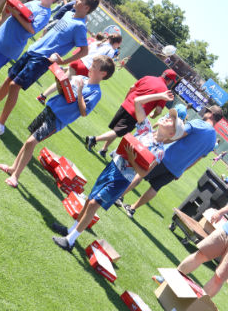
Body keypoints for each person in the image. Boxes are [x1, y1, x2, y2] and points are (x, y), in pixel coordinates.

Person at [51, 92, 184, 251]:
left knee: (93, 204)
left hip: (121, 179)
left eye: (172, 121)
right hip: (113, 166)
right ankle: (71, 230)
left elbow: (143, 173)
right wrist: (161, 95)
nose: (169, 118)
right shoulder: (146, 129)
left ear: (172, 133)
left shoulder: (160, 151)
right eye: (170, 116)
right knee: (90, 199)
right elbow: (137, 101)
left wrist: (132, 159)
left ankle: (70, 241)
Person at [0, 0, 100, 136]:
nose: (76, 1)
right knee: (8, 80)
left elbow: (84, 51)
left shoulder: (80, 27)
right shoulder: (68, 14)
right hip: (33, 50)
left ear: (86, 8)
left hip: (42, 59)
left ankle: (0, 124)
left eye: (80, 0)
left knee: (14, 86)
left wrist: (63, 61)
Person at [0, 55, 115, 188]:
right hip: (50, 108)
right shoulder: (82, 78)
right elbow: (64, 92)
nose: (90, 68)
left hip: (58, 119)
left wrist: (81, 91)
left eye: (94, 67)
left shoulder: (96, 92)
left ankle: (15, 177)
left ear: (103, 73)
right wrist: (60, 81)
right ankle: (13, 168)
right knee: (29, 140)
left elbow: (84, 112)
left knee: (31, 142)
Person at [121, 105, 222, 218]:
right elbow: (197, 159)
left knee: (140, 175)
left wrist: (158, 141)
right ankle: (132, 208)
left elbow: (177, 135)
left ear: (211, 114)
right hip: (177, 169)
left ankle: (120, 196)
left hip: (165, 156)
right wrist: (183, 170)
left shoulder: (199, 123)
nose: (204, 113)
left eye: (207, 111)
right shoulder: (213, 140)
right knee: (155, 188)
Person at [85, 69, 178, 158]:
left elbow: (132, 87)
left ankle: (103, 149)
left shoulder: (149, 77)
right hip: (135, 114)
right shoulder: (164, 91)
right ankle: (93, 139)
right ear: (169, 81)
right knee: (117, 132)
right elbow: (158, 110)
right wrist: (154, 116)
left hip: (126, 104)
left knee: (115, 130)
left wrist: (126, 100)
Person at [153, 203, 228, 298]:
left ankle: (196, 306)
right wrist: (221, 211)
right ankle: (167, 282)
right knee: (200, 255)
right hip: (225, 231)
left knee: (219, 277)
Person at [36, 33, 122, 104]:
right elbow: (104, 64)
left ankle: (43, 96)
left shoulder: (98, 42)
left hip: (78, 62)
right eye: (118, 45)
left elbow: (85, 52)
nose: (117, 47)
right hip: (88, 68)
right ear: (116, 43)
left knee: (63, 82)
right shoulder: (110, 51)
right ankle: (56, 105)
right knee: (72, 90)